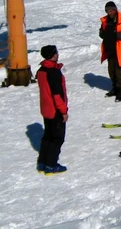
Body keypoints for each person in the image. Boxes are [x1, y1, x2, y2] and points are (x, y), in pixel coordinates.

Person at [36, 45, 69, 175]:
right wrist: (63, 111)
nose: (58, 54)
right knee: (57, 138)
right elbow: (57, 95)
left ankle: (42, 162)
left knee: (48, 136)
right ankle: (51, 164)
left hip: (45, 108)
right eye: (56, 52)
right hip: (55, 110)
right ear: (53, 55)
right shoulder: (53, 72)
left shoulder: (42, 70)